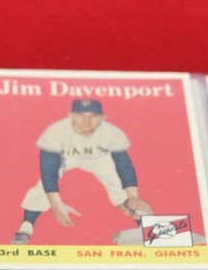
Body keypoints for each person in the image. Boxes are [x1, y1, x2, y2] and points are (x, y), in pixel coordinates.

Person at [12, 99, 151, 244]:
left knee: (120, 186)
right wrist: (56, 203)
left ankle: (147, 227)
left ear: (102, 117)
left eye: (93, 116)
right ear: (71, 115)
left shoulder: (112, 132)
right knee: (42, 187)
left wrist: (132, 196)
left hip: (99, 159)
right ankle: (26, 228)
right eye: (81, 115)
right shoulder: (56, 131)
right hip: (65, 159)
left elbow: (124, 165)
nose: (87, 121)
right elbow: (49, 170)